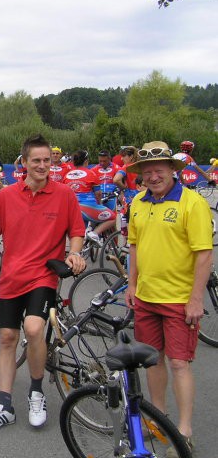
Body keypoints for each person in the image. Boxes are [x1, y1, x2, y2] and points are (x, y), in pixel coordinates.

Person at [0, 134, 86, 432]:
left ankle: (36, 392)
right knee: (6, 339)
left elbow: (76, 231)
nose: (43, 166)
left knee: (34, 328)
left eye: (47, 161)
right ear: (23, 163)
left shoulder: (65, 195)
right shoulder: (7, 196)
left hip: (43, 276)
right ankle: (4, 406)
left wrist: (75, 254)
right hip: (11, 277)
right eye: (36, 160)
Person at [124, 141, 213, 454]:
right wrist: (131, 285)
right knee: (152, 361)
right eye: (147, 172)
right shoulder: (137, 201)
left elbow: (204, 254)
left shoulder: (192, 203)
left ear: (172, 170)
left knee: (179, 363)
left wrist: (196, 299)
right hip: (146, 296)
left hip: (179, 299)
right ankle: (157, 419)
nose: (153, 176)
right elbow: (134, 246)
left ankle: (184, 430)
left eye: (158, 170)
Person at [63, 150, 116, 246]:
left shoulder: (67, 175)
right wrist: (99, 204)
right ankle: (95, 233)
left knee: (79, 235)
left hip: (70, 208)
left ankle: (78, 252)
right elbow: (98, 193)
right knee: (113, 217)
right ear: (86, 161)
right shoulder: (91, 173)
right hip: (87, 207)